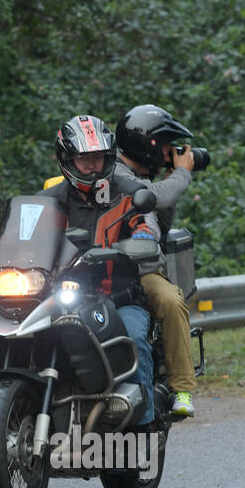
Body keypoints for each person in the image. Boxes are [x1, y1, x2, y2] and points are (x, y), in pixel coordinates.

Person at [42, 114, 160, 426]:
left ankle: (143, 427)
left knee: (133, 340)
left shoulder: (127, 191)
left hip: (118, 298)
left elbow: (145, 221)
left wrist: (144, 235)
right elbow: (24, 231)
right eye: (85, 160)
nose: (94, 166)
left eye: (99, 158)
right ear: (67, 159)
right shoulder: (51, 200)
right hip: (65, 298)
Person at [111, 105, 199, 419]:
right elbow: (159, 196)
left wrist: (169, 174)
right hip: (108, 271)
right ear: (145, 144)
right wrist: (183, 173)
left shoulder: (143, 178)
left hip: (141, 271)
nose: (168, 153)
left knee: (171, 300)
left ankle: (182, 388)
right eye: (164, 146)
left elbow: (159, 220)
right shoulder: (117, 173)